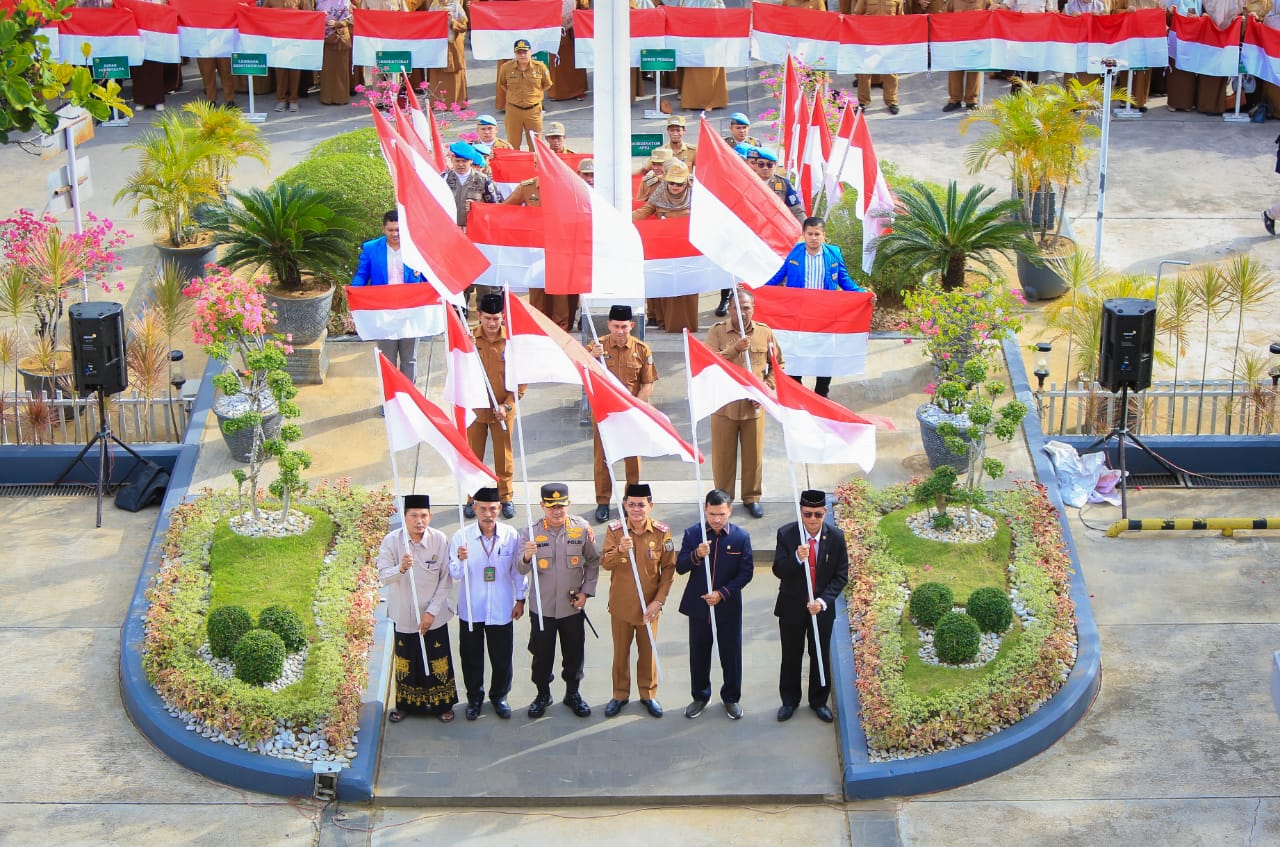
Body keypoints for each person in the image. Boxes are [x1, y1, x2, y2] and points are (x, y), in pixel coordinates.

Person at [517, 483, 601, 718]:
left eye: (561, 506)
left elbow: (593, 561)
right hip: (542, 608)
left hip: (571, 607)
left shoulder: (581, 528)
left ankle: (572, 693)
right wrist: (526, 556)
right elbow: (519, 569)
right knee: (541, 655)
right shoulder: (530, 532)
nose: (557, 511)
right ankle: (543, 694)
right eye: (551, 506)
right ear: (542, 506)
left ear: (569, 505)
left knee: (574, 654)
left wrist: (586, 592)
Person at [377, 494, 459, 723]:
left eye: (423, 515)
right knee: (407, 660)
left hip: (434, 614)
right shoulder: (392, 542)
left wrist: (432, 611)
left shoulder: (439, 540)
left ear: (430, 516)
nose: (419, 521)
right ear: (404, 517)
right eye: (413, 516)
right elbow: (383, 576)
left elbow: (446, 580)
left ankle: (443, 704)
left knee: (438, 661)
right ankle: (406, 705)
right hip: (404, 614)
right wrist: (401, 568)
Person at [449, 486, 526, 721]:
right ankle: (474, 698)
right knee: (471, 657)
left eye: (492, 509)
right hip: (472, 608)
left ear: (500, 509)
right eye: (482, 509)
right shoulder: (461, 537)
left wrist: (520, 598)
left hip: (501, 607)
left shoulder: (510, 535)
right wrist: (461, 559)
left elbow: (517, 570)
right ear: (474, 508)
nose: (488, 514)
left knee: (502, 657)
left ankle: (499, 697)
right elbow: (454, 573)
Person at [704, 289, 784, 518]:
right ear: (729, 309)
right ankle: (723, 499)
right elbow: (709, 362)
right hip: (724, 407)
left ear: (753, 309)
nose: (742, 312)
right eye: (737, 308)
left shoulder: (765, 332)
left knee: (753, 457)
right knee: (723, 459)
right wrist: (735, 349)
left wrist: (765, 389)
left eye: (746, 307)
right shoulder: (717, 332)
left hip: (753, 407)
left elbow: (778, 365)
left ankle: (752, 497)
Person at [676, 489, 754, 720]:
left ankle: (731, 698)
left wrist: (722, 593)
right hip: (699, 607)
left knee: (731, 653)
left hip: (727, 607)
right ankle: (700, 696)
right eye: (712, 514)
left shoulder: (741, 537)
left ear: (730, 511)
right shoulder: (693, 534)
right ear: (705, 511)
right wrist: (697, 555)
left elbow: (746, 573)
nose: (716, 519)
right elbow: (680, 566)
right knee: (699, 652)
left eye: (721, 514)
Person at [771, 489, 848, 724]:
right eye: (807, 514)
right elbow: (778, 570)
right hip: (792, 608)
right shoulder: (787, 534)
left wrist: (822, 602)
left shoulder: (836, 537)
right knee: (791, 654)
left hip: (820, 610)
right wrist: (796, 558)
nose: (812, 519)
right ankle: (789, 700)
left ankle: (818, 701)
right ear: (801, 513)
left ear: (824, 512)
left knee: (819, 654)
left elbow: (841, 576)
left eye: (817, 514)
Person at [764, 218, 863, 397]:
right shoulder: (793, 253)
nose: (813, 238)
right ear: (804, 235)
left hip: (825, 316)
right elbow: (776, 278)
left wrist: (863, 295)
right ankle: (798, 392)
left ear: (824, 235)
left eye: (817, 234)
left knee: (825, 356)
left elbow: (845, 280)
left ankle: (821, 393)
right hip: (798, 315)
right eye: (810, 234)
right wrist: (753, 289)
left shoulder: (834, 253)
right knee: (795, 353)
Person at [600, 483, 676, 718]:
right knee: (620, 654)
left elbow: (668, 569)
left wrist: (659, 602)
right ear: (624, 505)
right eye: (631, 504)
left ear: (650, 505)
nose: (636, 509)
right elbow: (605, 563)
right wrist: (620, 550)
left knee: (648, 653)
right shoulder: (615, 531)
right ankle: (619, 694)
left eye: (641, 505)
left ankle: (648, 694)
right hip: (621, 607)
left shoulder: (662, 532)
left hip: (649, 608)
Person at [587, 306, 658, 523]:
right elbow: (581, 373)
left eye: (624, 327)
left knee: (633, 459)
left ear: (632, 326)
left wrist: (636, 406)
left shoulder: (642, 349)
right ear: (609, 325)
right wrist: (591, 357)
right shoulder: (596, 346)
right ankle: (603, 502)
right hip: (605, 413)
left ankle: (631, 501)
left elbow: (647, 383)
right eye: (616, 326)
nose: (620, 331)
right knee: (602, 458)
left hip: (630, 414)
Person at [350, 210, 429, 382]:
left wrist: (434, 291)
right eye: (391, 230)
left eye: (398, 230)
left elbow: (427, 277)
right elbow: (362, 275)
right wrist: (353, 291)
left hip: (410, 311)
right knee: (387, 360)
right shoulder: (371, 248)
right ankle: (391, 397)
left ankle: (409, 396)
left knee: (409, 359)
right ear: (383, 229)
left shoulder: (416, 248)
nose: (395, 234)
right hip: (384, 312)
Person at [467, 294, 524, 520]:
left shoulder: (512, 342)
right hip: (475, 411)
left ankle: (505, 497)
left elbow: (520, 381)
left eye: (496, 318)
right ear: (479, 315)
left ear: (503, 317)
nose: (492, 323)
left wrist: (507, 406)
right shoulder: (468, 340)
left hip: (502, 411)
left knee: (504, 457)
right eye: (488, 318)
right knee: (473, 457)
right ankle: (472, 497)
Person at [663, 0, 730, 111]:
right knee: (689, 62)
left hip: (706, 33)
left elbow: (718, 14)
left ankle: (707, 100)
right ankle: (687, 94)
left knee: (704, 65)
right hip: (688, 30)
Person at [496, 38, 553, 150]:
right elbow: (502, 84)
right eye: (519, 52)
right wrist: (514, 95)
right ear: (514, 53)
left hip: (533, 111)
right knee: (512, 144)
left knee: (535, 145)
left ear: (531, 52)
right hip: (513, 111)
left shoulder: (540, 67)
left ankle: (534, 162)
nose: (522, 55)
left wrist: (535, 95)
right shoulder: (506, 67)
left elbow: (547, 84)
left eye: (525, 52)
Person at [853, 0, 903, 114]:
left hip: (888, 39)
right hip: (869, 38)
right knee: (865, 71)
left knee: (890, 71)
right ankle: (863, 102)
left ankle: (892, 101)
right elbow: (857, 15)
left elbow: (901, 19)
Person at [940, 0, 990, 112]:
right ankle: (954, 100)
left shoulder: (984, 1)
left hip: (976, 41)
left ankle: (972, 101)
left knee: (974, 71)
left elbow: (993, 16)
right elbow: (943, 16)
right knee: (955, 70)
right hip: (957, 41)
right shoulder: (954, 1)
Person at [264, 0, 312, 113]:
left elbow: (308, 14)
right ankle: (281, 99)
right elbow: (262, 14)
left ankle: (293, 100)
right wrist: (247, 10)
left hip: (295, 38)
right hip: (278, 39)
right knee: (280, 70)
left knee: (295, 70)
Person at [443, 141, 502, 229]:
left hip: (475, 229)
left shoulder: (484, 180)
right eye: (457, 161)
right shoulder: (444, 179)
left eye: (464, 161)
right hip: (450, 228)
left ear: (471, 161)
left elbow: (495, 208)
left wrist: (477, 207)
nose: (460, 164)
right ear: (451, 160)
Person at [426, 0, 468, 105]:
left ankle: (457, 102)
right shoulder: (434, 6)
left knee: (455, 71)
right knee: (437, 71)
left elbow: (464, 27)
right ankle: (437, 102)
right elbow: (427, 25)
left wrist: (452, 21)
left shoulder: (456, 6)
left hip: (453, 45)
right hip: (438, 45)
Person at [548, 0, 590, 101]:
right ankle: (557, 92)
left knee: (575, 59)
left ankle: (578, 90)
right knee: (557, 60)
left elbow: (584, 5)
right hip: (554, 25)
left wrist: (577, 15)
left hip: (573, 27)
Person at [317, 0, 353, 106]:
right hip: (325, 38)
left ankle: (341, 98)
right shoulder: (319, 1)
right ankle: (326, 98)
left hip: (340, 39)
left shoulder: (345, 2)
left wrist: (337, 23)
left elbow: (351, 19)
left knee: (341, 70)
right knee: (327, 70)